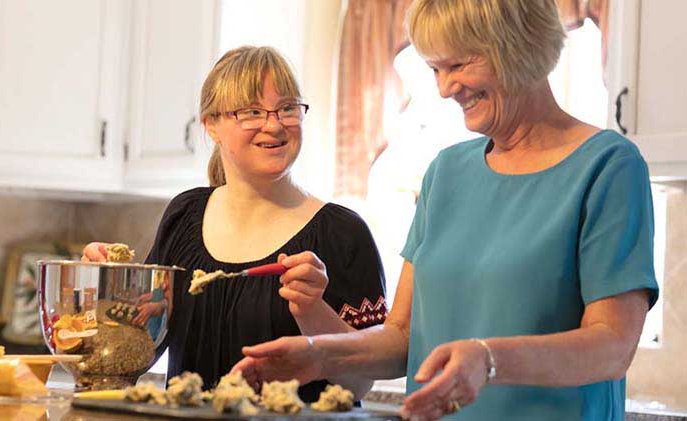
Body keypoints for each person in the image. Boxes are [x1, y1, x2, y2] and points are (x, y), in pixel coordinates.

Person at [231, 1, 659, 419]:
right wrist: (317, 355)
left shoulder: (607, 166)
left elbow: (612, 346)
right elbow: (401, 339)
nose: (445, 88)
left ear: (519, 46)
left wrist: (488, 359)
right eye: (436, 69)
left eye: (459, 66)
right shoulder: (446, 172)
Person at [82, 45, 387, 402]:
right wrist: (107, 287)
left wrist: (311, 310)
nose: (274, 125)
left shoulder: (343, 233)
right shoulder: (184, 215)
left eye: (288, 108)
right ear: (211, 124)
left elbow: (362, 383)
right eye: (252, 112)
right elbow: (142, 346)